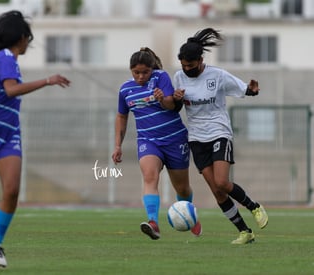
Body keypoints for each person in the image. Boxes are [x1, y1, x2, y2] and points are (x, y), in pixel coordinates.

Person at [0, 10, 70, 271]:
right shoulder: (6, 57)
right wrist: (48, 80)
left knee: (11, 190)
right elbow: (11, 90)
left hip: (9, 134)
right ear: (21, 37)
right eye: (28, 39)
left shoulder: (3, 60)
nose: (28, 44)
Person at [172, 28, 268, 244]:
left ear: (200, 60)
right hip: (196, 139)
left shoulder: (217, 75)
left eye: (191, 66)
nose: (187, 70)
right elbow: (175, 107)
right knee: (217, 191)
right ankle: (245, 232)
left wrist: (252, 90)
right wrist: (176, 99)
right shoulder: (178, 77)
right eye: (184, 66)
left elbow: (244, 89)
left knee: (222, 182)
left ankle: (254, 207)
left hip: (219, 133)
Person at [111, 47, 201, 240]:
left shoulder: (160, 77)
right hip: (148, 141)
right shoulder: (125, 90)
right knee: (150, 177)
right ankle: (153, 222)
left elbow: (172, 106)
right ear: (130, 70)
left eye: (145, 72)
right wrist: (118, 145)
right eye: (136, 72)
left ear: (152, 69)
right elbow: (121, 116)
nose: (141, 76)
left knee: (182, 188)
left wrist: (162, 99)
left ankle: (190, 215)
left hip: (175, 138)